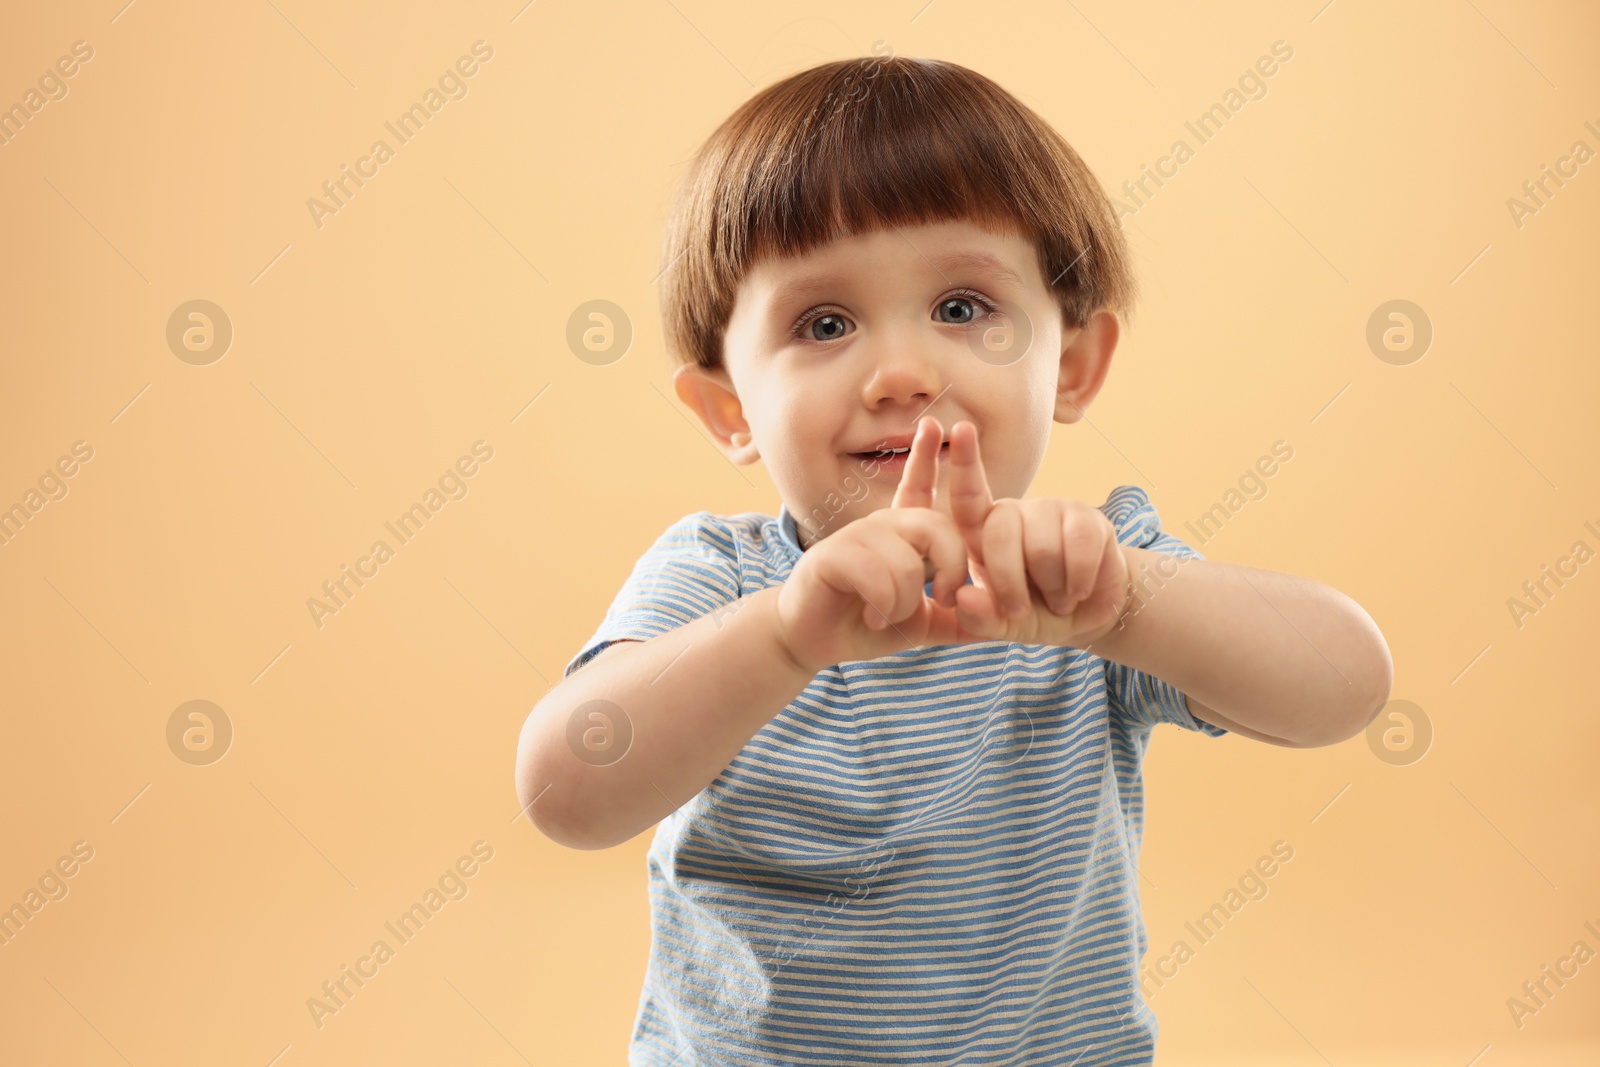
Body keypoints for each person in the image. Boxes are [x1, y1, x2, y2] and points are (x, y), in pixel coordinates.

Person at [515, 53, 1393, 1066]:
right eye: (825, 323)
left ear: (1071, 362)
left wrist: (1128, 607)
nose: (901, 371)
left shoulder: (1088, 577)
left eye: (964, 308)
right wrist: (782, 636)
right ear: (728, 407)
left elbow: (1347, 684)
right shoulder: (723, 580)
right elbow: (564, 793)